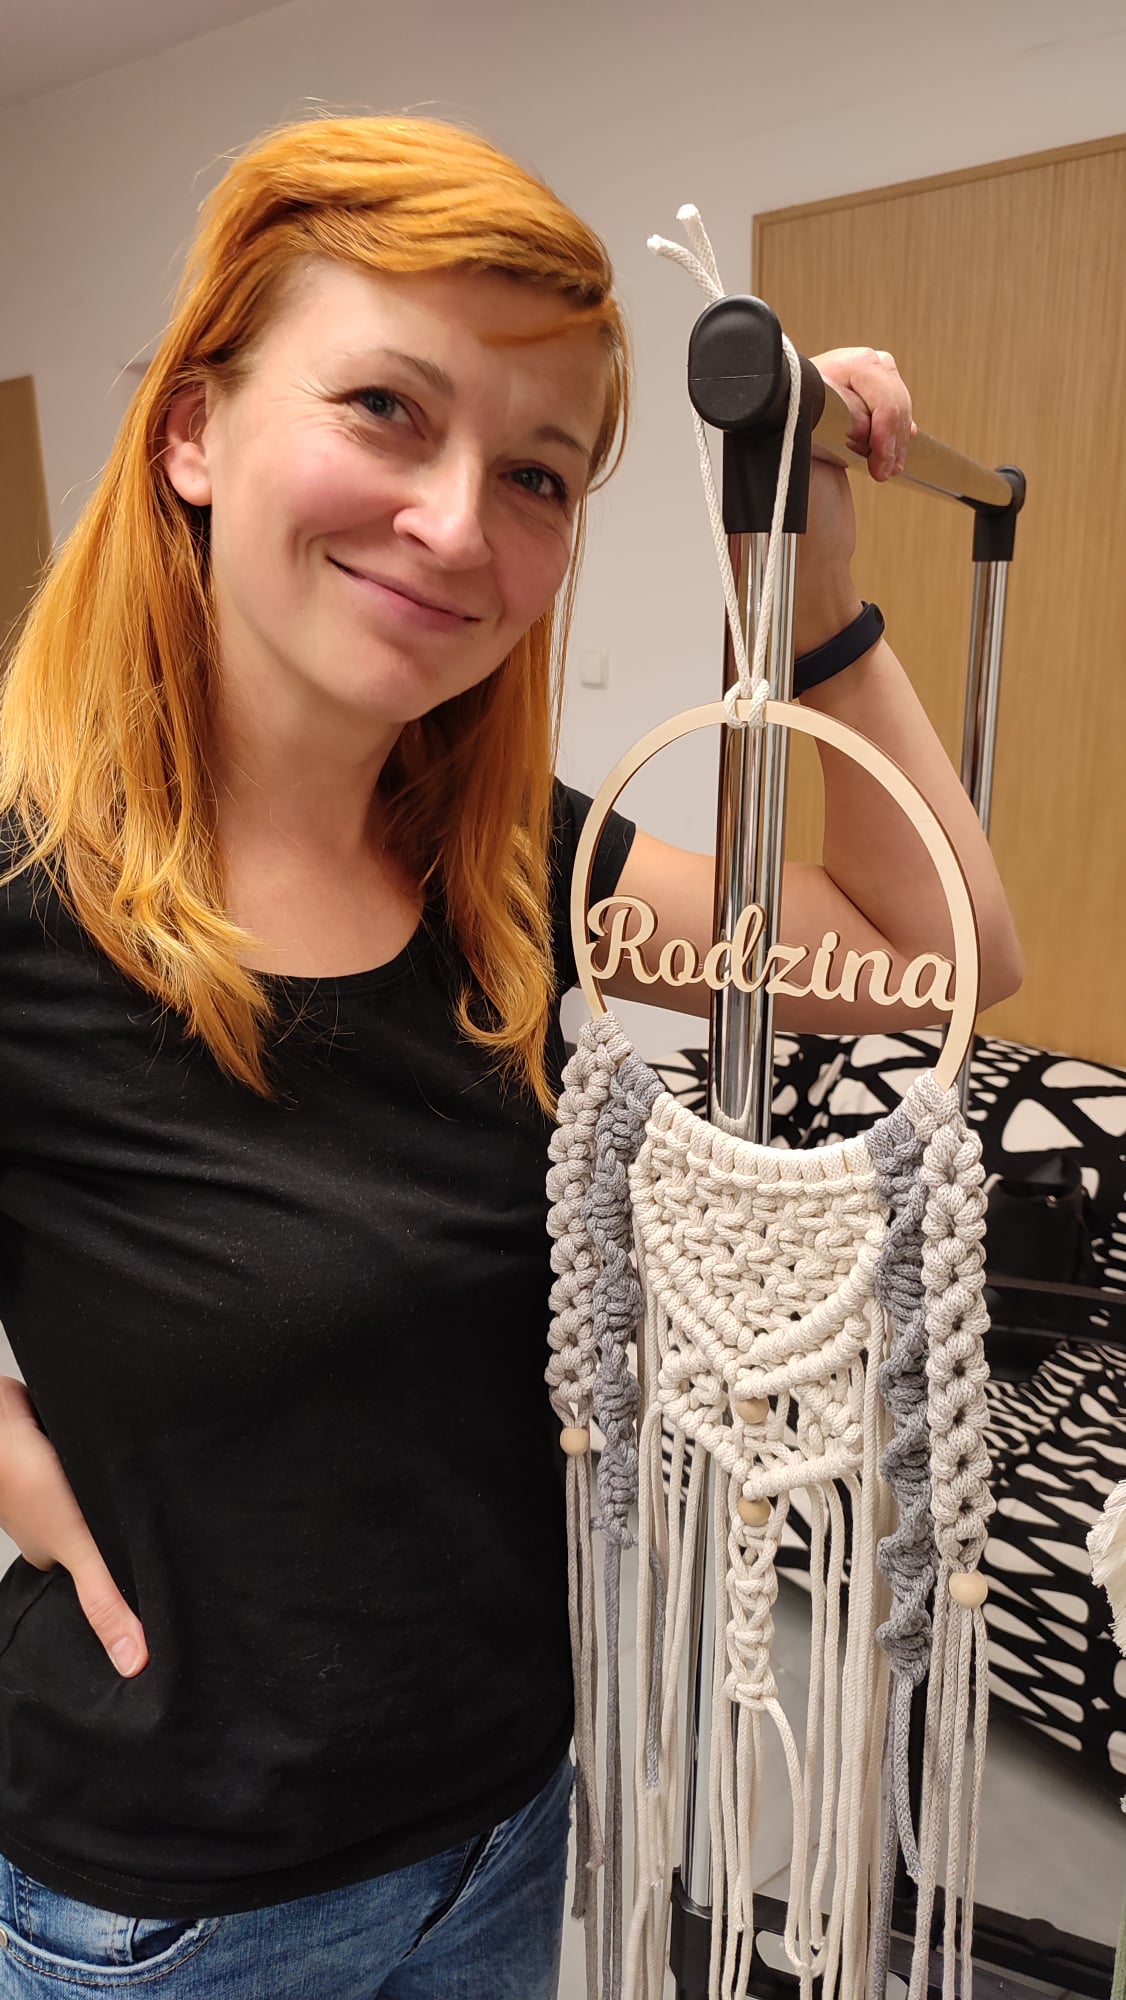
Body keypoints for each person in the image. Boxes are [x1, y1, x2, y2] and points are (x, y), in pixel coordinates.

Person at [0, 115, 1020, 1998]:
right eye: (385, 408)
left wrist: (807, 576)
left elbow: (935, 957)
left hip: (504, 1833)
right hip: (169, 1917)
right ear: (192, 431)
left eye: (537, 474)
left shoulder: (523, 874)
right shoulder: (26, 894)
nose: (460, 526)